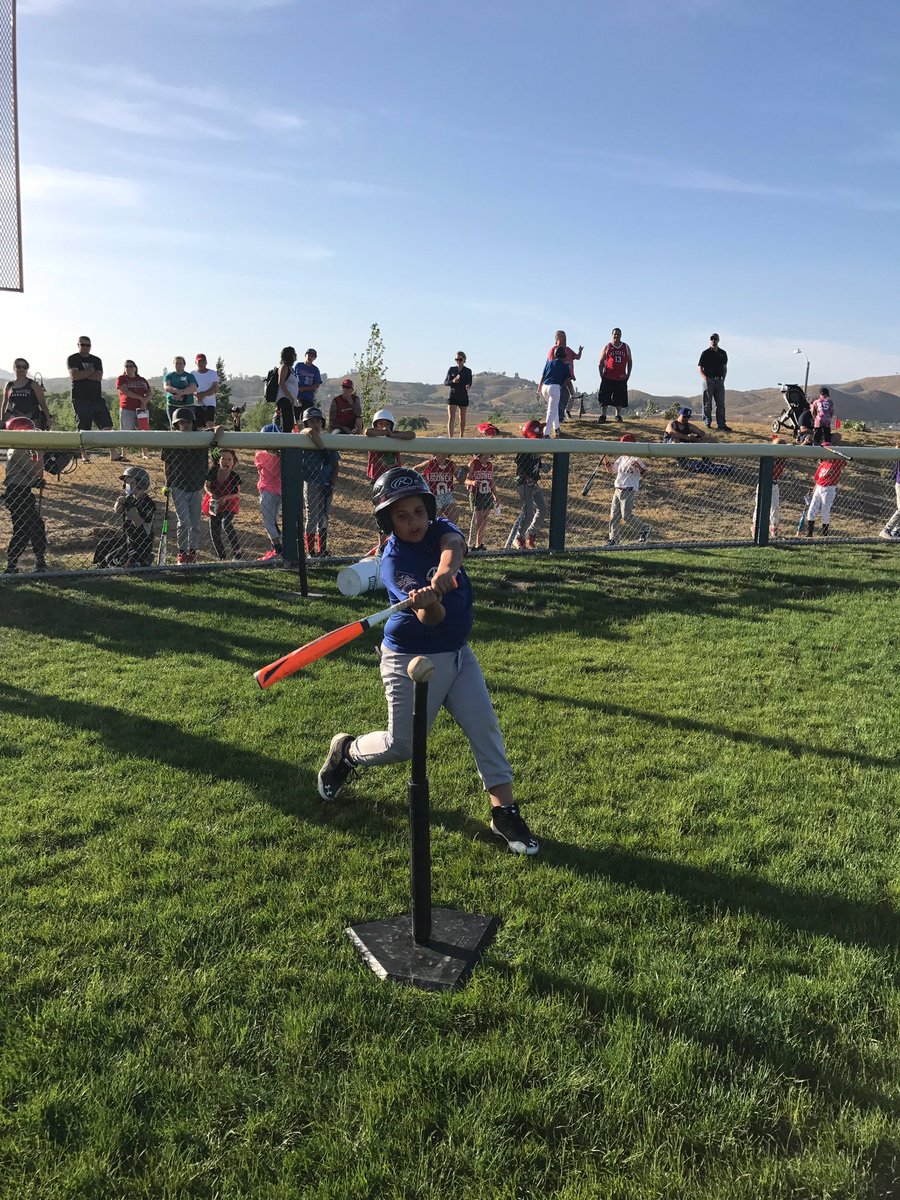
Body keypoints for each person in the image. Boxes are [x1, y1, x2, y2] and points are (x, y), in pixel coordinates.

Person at [316, 467, 539, 856]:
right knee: (402, 746)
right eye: (401, 516)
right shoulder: (394, 563)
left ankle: (504, 811)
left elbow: (455, 543)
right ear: (388, 521)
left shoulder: (439, 529)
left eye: (418, 511)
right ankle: (348, 751)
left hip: (457, 652)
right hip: (410, 660)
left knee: (484, 728)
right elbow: (431, 620)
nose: (413, 521)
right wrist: (428, 603)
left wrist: (445, 570)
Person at [161, 407, 219, 564]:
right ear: (176, 424)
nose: (185, 425)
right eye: (181, 423)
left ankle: (192, 553)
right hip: (178, 485)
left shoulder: (201, 436)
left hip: (197, 485)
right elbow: (167, 464)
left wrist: (213, 442)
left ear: (193, 423)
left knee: (195, 523)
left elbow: (219, 429)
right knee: (184, 521)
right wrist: (168, 482)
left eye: (188, 422)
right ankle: (182, 552)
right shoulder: (171, 440)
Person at [3, 416, 47, 573]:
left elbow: (32, 466)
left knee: (35, 526)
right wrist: (36, 479)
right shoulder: (18, 448)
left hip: (22, 491)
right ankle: (12, 565)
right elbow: (29, 467)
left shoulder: (20, 445)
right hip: (17, 492)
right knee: (24, 528)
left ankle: (39, 560)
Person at [297, 407, 340, 556]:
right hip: (311, 482)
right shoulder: (304, 437)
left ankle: (322, 549)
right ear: (306, 423)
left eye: (318, 421)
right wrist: (322, 450)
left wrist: (331, 483)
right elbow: (309, 432)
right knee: (312, 516)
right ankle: (311, 551)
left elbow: (335, 466)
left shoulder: (328, 440)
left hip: (326, 483)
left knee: (324, 517)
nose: (316, 424)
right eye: (312, 421)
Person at [95, 465, 156, 567]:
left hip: (141, 544)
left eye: (128, 482)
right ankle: (99, 566)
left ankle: (145, 559)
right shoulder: (130, 497)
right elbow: (117, 511)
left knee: (113, 560)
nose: (124, 485)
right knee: (103, 546)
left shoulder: (147, 502)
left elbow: (138, 523)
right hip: (128, 540)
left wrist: (130, 507)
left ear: (139, 483)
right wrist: (119, 502)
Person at [67, 335, 115, 462]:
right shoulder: (73, 359)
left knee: (107, 426)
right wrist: (90, 371)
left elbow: (98, 377)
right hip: (80, 398)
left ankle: (114, 454)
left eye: (88, 345)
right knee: (84, 428)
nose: (85, 347)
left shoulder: (96, 360)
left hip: (96, 398)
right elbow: (74, 376)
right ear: (78, 345)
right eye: (82, 345)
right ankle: (85, 455)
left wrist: (84, 373)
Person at [606, 433, 651, 544]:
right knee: (614, 516)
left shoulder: (636, 458)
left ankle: (644, 528)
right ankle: (613, 538)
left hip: (629, 489)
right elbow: (613, 470)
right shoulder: (621, 458)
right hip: (618, 488)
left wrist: (638, 466)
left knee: (626, 516)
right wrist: (607, 464)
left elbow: (643, 473)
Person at [509, 419, 545, 549]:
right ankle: (518, 537)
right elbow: (520, 466)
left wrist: (543, 466)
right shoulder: (525, 447)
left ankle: (531, 533)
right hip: (524, 483)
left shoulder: (537, 447)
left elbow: (537, 463)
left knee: (542, 508)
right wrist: (527, 478)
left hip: (534, 484)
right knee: (528, 511)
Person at [204, 447, 242, 560]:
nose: (226, 462)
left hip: (229, 502)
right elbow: (207, 486)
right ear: (218, 460)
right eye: (223, 459)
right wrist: (212, 495)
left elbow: (237, 492)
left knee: (226, 523)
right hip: (215, 501)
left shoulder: (234, 476)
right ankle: (222, 557)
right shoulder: (212, 472)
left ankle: (237, 552)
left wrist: (225, 497)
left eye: (229, 459)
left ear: (233, 462)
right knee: (214, 532)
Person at [465, 425, 499, 551]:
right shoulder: (474, 463)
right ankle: (471, 544)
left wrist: (496, 495)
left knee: (484, 521)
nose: (486, 457)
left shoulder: (490, 465)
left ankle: (479, 544)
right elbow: (465, 479)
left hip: (487, 494)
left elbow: (491, 481)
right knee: (478, 521)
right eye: (484, 454)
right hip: (476, 493)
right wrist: (473, 482)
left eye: (488, 454)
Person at [805, 443, 848, 538]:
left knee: (825, 511)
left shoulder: (836, 462)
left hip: (829, 488)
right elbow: (817, 479)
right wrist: (813, 491)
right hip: (819, 488)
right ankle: (809, 535)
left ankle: (824, 535)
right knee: (811, 510)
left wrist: (833, 450)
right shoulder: (823, 463)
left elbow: (844, 460)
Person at [255, 422, 284, 561]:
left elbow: (260, 468)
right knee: (273, 520)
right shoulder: (282, 455)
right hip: (279, 490)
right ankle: (278, 547)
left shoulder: (260, 455)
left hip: (267, 490)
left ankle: (278, 548)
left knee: (268, 522)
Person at [413, 447, 463, 525]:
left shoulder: (451, 464)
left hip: (447, 494)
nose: (442, 455)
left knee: (454, 517)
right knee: (435, 520)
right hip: (434, 495)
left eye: (444, 452)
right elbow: (415, 469)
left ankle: (447, 531)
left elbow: (461, 479)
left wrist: (464, 472)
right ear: (435, 453)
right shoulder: (430, 463)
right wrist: (422, 479)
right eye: (439, 452)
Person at [751, 436, 788, 539]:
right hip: (764, 483)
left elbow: (792, 448)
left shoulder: (783, 458)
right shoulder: (770, 456)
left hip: (774, 484)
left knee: (775, 507)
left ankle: (774, 528)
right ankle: (756, 527)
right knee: (760, 506)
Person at [115, 359, 151, 460]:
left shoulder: (142, 379)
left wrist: (145, 401)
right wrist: (140, 398)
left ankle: (145, 453)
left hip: (142, 409)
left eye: (131, 366)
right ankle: (124, 454)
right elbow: (125, 391)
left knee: (144, 430)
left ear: (135, 368)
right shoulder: (121, 378)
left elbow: (149, 391)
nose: (129, 368)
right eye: (126, 366)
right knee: (126, 432)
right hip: (127, 409)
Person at [365, 408, 415, 481]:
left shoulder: (395, 434)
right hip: (377, 476)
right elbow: (367, 432)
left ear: (391, 426)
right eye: (380, 424)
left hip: (394, 475)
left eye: (387, 424)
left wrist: (392, 435)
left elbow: (412, 435)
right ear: (375, 425)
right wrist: (382, 433)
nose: (384, 427)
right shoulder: (373, 436)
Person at [2, 358, 52, 430]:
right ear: (14, 368)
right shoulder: (9, 385)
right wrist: (1, 419)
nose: (22, 369)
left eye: (25, 367)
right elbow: (5, 404)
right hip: (15, 420)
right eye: (19, 367)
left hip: (33, 419)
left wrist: (48, 419)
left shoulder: (33, 384)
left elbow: (42, 403)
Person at [597, 328, 632, 423]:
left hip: (620, 377)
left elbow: (630, 361)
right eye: (615, 334)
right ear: (612, 335)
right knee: (604, 397)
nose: (616, 336)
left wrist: (628, 374)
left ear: (621, 335)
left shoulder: (625, 347)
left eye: (618, 334)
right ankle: (603, 415)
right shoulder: (607, 346)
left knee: (619, 397)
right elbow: (600, 362)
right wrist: (602, 375)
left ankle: (618, 415)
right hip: (608, 376)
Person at [698, 333, 731, 431]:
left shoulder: (723, 353)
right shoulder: (705, 353)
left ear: (718, 340)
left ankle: (721, 424)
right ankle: (707, 422)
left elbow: (724, 367)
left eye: (715, 339)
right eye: (712, 339)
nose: (713, 340)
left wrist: (723, 379)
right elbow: (700, 368)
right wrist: (705, 378)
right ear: (710, 340)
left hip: (719, 381)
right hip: (709, 380)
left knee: (720, 404)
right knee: (707, 403)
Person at [547, 331, 583, 421]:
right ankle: (559, 418)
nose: (565, 339)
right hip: (558, 379)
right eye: (562, 337)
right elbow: (552, 364)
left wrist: (580, 351)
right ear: (557, 338)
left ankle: (564, 414)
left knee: (569, 396)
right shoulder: (553, 350)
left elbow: (577, 357)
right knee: (560, 398)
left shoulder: (568, 349)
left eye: (565, 337)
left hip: (568, 378)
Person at [539, 346, 573, 438]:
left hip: (544, 388)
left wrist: (538, 390)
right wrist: (571, 394)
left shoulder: (549, 363)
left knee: (554, 409)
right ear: (564, 355)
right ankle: (546, 433)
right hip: (554, 388)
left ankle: (557, 428)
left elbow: (542, 377)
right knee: (551, 410)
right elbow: (568, 382)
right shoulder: (565, 366)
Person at [164, 357, 198, 428]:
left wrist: (182, 393)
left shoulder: (190, 376)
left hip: (188, 405)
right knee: (174, 427)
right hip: (172, 405)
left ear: (184, 364)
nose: (178, 365)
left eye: (180, 363)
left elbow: (193, 387)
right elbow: (167, 387)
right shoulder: (169, 376)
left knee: (189, 427)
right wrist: (177, 391)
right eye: (176, 363)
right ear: (174, 364)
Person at [445, 351, 472, 437]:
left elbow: (469, 382)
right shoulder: (451, 369)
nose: (458, 361)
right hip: (453, 396)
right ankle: (450, 438)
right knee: (451, 417)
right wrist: (453, 381)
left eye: (460, 359)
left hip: (463, 396)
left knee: (462, 418)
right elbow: (446, 382)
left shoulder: (467, 371)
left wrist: (468, 386)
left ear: (464, 360)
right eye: (456, 359)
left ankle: (461, 436)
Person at [276, 346, 299, 433]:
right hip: (284, 399)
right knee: (287, 423)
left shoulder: (291, 369)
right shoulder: (284, 367)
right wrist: (289, 397)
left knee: (290, 423)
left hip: (290, 400)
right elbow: (281, 383)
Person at [293, 348, 321, 416]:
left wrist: (305, 389)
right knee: (295, 419)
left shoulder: (315, 370)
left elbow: (317, 385)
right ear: (305, 355)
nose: (310, 357)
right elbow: (293, 378)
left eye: (312, 356)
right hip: (296, 397)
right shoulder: (298, 365)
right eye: (309, 354)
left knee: (306, 418)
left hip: (308, 398)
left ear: (314, 358)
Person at [193, 354, 219, 424]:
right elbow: (190, 388)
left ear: (206, 362)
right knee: (198, 426)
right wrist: (196, 395)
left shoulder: (212, 373)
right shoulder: (192, 374)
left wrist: (203, 395)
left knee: (209, 424)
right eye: (199, 362)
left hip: (209, 404)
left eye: (203, 362)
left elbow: (215, 388)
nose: (201, 364)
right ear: (195, 362)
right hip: (196, 404)